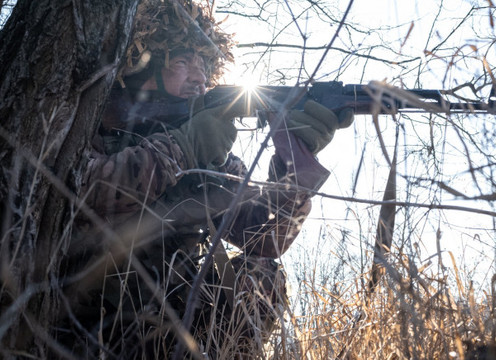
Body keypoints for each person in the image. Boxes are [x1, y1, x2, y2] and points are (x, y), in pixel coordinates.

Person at [60, 0, 353, 358]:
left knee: (260, 277)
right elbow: (91, 193)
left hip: (178, 315)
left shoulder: (214, 156)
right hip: (93, 319)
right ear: (141, 66)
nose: (199, 77)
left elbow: (263, 239)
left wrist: (294, 164)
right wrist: (185, 146)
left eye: (206, 66)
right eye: (183, 62)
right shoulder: (92, 126)